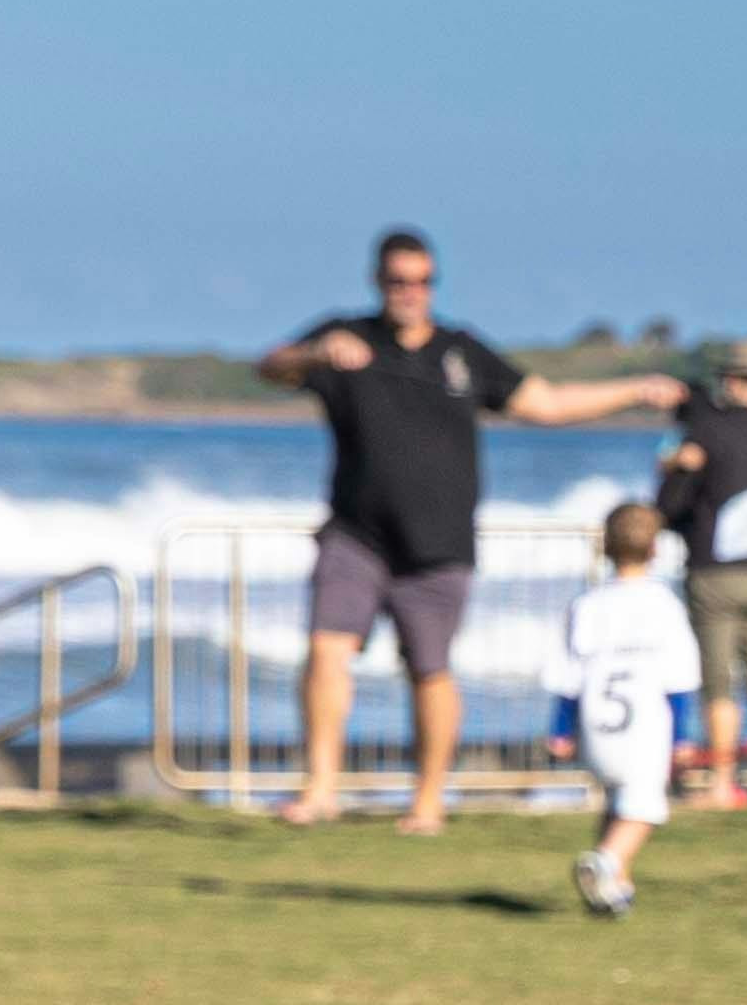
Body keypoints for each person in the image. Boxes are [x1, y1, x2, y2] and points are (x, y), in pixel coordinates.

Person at [257, 230, 684, 831]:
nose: (410, 292)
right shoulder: (345, 338)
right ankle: (320, 789)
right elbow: (269, 367)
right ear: (378, 281)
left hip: (439, 546)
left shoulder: (462, 353)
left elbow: (549, 404)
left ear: (434, 283)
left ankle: (428, 803)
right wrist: (317, 354)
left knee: (430, 670)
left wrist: (636, 390)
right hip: (355, 535)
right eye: (398, 281)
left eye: (421, 281)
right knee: (327, 652)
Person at [656, 337, 747, 810]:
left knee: (718, 681)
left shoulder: (707, 434)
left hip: (714, 568)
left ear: (733, 381)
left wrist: (671, 471)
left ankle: (722, 783)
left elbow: (669, 505)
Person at [549, 501, 703, 919]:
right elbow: (681, 679)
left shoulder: (588, 604)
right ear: (656, 549)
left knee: (618, 802)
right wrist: (684, 737)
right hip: (644, 725)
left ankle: (615, 890)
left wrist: (559, 729)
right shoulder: (664, 605)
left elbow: (568, 674)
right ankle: (606, 862)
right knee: (645, 807)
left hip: (596, 726)